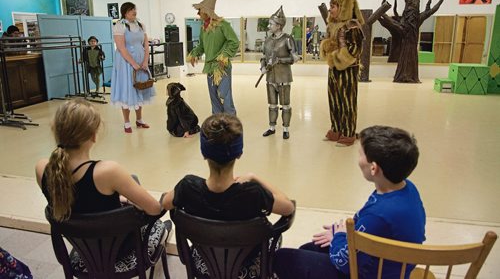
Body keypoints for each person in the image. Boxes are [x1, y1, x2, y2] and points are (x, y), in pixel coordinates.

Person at [274, 125, 426, 279]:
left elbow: (345, 262)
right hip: (394, 265)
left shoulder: (378, 215)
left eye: (360, 154)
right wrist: (346, 234)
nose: (358, 159)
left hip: (368, 273)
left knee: (283, 258)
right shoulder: (407, 188)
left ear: (374, 168)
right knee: (309, 248)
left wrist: (339, 236)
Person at [161, 113, 295, 278]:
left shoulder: (187, 187)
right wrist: (254, 177)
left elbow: (165, 203)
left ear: (203, 153)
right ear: (239, 153)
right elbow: (288, 207)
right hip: (247, 263)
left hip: (205, 262)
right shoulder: (252, 193)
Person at [35, 99, 166, 260]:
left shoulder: (43, 169)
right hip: (118, 251)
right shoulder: (108, 172)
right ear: (93, 136)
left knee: (129, 183)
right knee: (161, 225)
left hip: (83, 249)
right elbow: (154, 209)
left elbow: (77, 198)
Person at [320, 0, 364, 147]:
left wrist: (336, 57)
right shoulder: (333, 25)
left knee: (347, 101)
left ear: (343, 8)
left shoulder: (352, 26)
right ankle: (336, 129)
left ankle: (348, 133)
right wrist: (328, 50)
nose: (330, 9)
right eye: (331, 6)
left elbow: (354, 51)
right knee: (334, 100)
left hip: (348, 70)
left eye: (334, 6)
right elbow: (328, 44)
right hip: (334, 69)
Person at [187, 0, 240, 115]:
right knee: (214, 97)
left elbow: (234, 41)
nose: (198, 13)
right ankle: (217, 120)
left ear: (206, 11)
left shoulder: (223, 25)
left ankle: (230, 121)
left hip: (222, 67)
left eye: (200, 10)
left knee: (224, 95)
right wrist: (194, 54)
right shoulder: (203, 28)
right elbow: (202, 46)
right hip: (210, 67)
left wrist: (224, 55)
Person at [111, 2, 154, 133]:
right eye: (131, 10)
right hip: (125, 62)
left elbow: (146, 44)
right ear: (125, 12)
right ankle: (127, 122)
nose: (134, 12)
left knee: (140, 87)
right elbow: (121, 48)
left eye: (134, 9)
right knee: (127, 89)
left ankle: (139, 120)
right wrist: (133, 63)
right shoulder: (120, 26)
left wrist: (145, 61)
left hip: (141, 60)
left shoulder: (140, 25)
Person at [260, 6, 300, 140]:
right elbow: (263, 57)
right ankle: (272, 127)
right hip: (270, 77)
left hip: (284, 76)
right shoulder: (267, 40)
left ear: (279, 25)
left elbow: (294, 58)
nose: (269, 25)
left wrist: (279, 60)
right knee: (272, 104)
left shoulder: (287, 39)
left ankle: (285, 129)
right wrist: (262, 67)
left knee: (285, 104)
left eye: (271, 23)